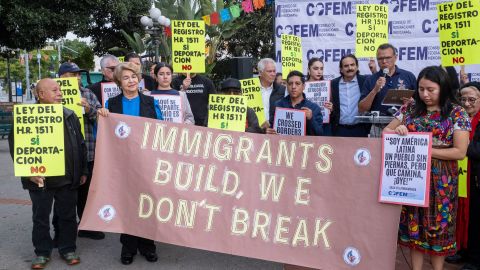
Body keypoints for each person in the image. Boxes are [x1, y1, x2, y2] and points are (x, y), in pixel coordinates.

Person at [384, 66, 471, 270]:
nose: (425, 94)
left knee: (437, 229)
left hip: (442, 182)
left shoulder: (457, 112)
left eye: (430, 89)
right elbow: (386, 131)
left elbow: (460, 152)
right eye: (421, 89)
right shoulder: (410, 107)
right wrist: (399, 130)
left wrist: (424, 149)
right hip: (411, 177)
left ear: (443, 87)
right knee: (414, 227)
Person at [8, 78, 88, 269]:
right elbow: (17, 147)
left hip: (68, 178)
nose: (59, 93)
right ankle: (42, 252)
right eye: (54, 90)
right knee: (41, 217)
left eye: (59, 90)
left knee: (68, 216)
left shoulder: (69, 115)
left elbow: (81, 145)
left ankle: (68, 248)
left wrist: (83, 170)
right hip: (39, 179)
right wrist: (29, 173)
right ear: (40, 94)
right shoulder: (26, 116)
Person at [97, 62, 163, 265]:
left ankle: (147, 245)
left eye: (134, 76)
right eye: (126, 78)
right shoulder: (112, 104)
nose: (131, 80)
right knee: (126, 204)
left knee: (146, 202)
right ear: (119, 82)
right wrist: (102, 117)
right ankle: (128, 247)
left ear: (139, 78)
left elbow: (162, 130)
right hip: (122, 164)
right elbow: (104, 135)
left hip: (146, 162)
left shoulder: (151, 102)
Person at [55, 62, 104, 240]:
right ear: (60, 78)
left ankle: (86, 226)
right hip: (63, 155)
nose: (75, 78)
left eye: (77, 75)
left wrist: (88, 109)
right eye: (70, 76)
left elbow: (101, 117)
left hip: (87, 151)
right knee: (63, 194)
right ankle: (61, 232)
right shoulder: (54, 96)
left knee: (87, 192)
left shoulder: (87, 94)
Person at [457, 82, 480, 270]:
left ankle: (475, 258)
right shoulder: (459, 119)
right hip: (460, 176)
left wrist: (460, 147)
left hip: (476, 178)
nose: (466, 103)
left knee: (476, 218)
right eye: (462, 99)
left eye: (471, 99)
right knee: (461, 214)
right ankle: (463, 250)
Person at [358, 43, 417, 115]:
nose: (384, 61)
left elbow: (421, 103)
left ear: (395, 57)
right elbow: (361, 109)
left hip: (403, 124)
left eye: (388, 58)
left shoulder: (408, 76)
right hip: (378, 124)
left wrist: (413, 102)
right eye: (380, 58)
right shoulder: (370, 79)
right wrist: (375, 90)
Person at [267, 70, 323, 136]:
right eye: (290, 84)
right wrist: (268, 131)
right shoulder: (278, 105)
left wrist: (311, 119)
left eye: (297, 83)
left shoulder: (314, 108)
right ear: (287, 86)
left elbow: (319, 134)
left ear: (303, 86)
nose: (293, 87)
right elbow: (272, 129)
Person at [330, 54, 370, 137]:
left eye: (352, 65)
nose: (350, 68)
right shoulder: (333, 83)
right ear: (341, 69)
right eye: (346, 66)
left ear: (357, 66)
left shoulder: (365, 81)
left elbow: (378, 85)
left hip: (361, 129)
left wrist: (374, 70)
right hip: (339, 130)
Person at [306, 57, 333, 135]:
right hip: (307, 127)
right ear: (308, 70)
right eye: (316, 68)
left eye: (321, 69)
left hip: (325, 127)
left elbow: (334, 111)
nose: (319, 71)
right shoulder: (301, 86)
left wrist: (331, 108)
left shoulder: (328, 87)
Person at [257, 58, 286, 127]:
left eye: (274, 71)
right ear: (260, 72)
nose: (273, 74)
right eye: (269, 71)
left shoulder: (283, 90)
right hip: (254, 131)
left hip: (274, 131)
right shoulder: (250, 89)